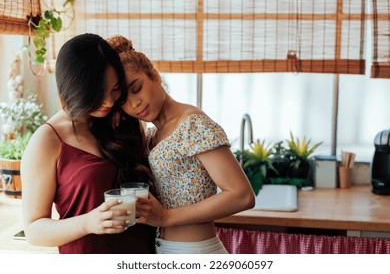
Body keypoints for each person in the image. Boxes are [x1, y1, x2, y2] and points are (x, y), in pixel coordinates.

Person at [107, 35, 256, 254]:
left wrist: (166, 217)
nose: (134, 103)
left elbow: (242, 195)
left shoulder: (192, 124)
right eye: (122, 101)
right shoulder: (151, 135)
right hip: (166, 250)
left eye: (137, 88)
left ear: (155, 76)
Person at [21, 33, 156, 254]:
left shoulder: (118, 120)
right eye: (98, 93)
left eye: (114, 89)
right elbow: (34, 230)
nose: (109, 101)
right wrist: (87, 222)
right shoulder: (47, 140)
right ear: (74, 88)